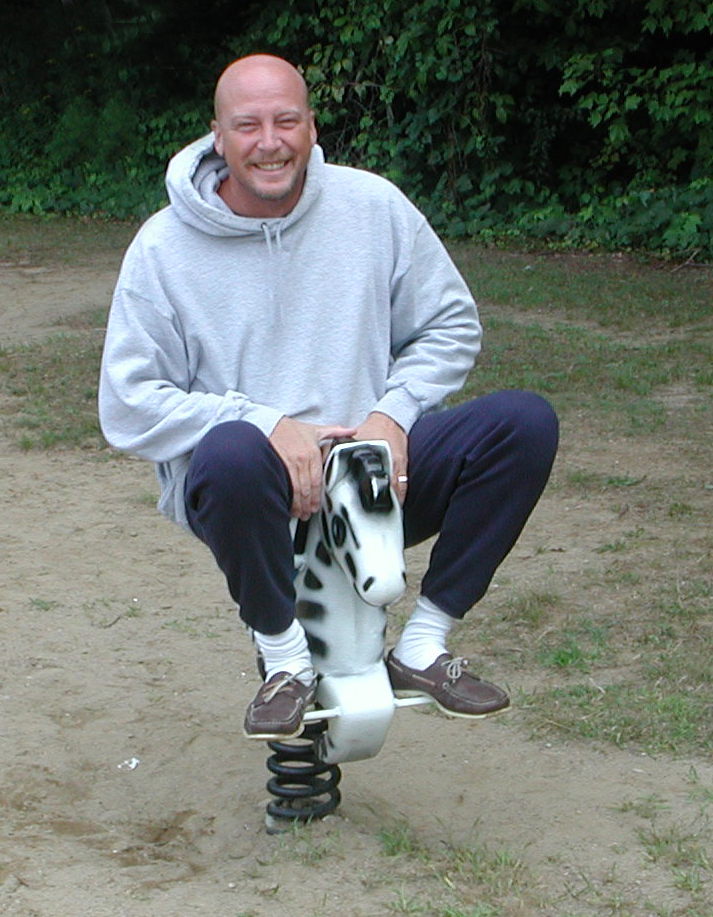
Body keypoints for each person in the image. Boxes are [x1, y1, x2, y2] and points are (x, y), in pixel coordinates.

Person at [99, 54, 559, 742]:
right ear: (216, 138)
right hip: (251, 489)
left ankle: (422, 645)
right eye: (246, 125)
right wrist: (264, 420)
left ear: (312, 127)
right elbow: (128, 403)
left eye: (286, 120)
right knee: (228, 449)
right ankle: (285, 662)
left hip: (372, 476)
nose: (269, 141)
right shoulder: (163, 249)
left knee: (522, 423)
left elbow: (451, 324)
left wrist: (391, 414)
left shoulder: (372, 207)